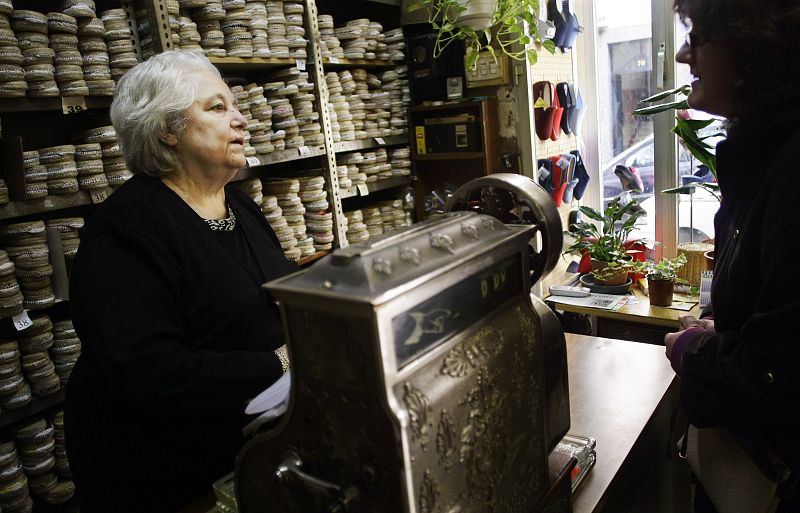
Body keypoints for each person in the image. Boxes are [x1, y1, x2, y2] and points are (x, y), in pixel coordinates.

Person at [64, 50, 298, 512]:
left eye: (233, 105)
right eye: (217, 108)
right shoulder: (127, 228)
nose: (240, 119)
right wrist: (279, 363)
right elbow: (150, 371)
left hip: (247, 448)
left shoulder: (239, 207)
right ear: (167, 129)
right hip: (166, 477)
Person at [664, 0, 800, 511]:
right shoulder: (763, 155)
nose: (683, 54)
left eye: (697, 36)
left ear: (755, 43)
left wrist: (693, 349)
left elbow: (779, 376)